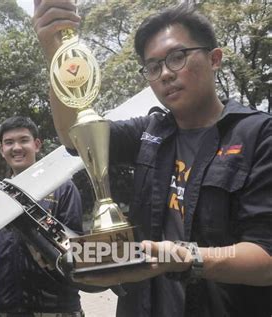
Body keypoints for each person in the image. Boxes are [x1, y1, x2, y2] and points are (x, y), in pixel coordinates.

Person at [33, 1, 272, 316]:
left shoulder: (258, 135)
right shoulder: (150, 131)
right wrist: (56, 50)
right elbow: (74, 136)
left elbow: (265, 258)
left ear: (215, 59)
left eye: (177, 58)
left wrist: (176, 256)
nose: (166, 75)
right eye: (153, 66)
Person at [0, 116, 85, 316]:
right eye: (9, 142)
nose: (16, 147)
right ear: (1, 150)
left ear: (36, 145)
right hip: (8, 307)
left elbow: (78, 248)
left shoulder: (62, 186)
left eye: (23, 140)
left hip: (57, 306)